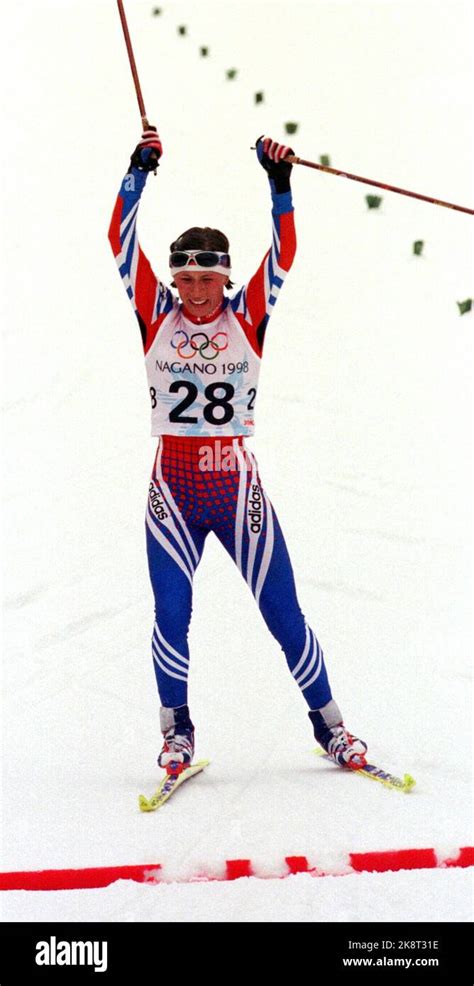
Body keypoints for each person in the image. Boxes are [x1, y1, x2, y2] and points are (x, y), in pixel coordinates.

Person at [108, 128, 367, 774]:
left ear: (224, 280)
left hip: (234, 488)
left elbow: (285, 255)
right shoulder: (155, 312)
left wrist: (279, 187)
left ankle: (331, 726)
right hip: (171, 490)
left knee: (283, 611)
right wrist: (137, 171)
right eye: (187, 279)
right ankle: (177, 731)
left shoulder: (245, 314)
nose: (196, 293)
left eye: (208, 279)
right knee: (171, 613)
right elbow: (119, 241)